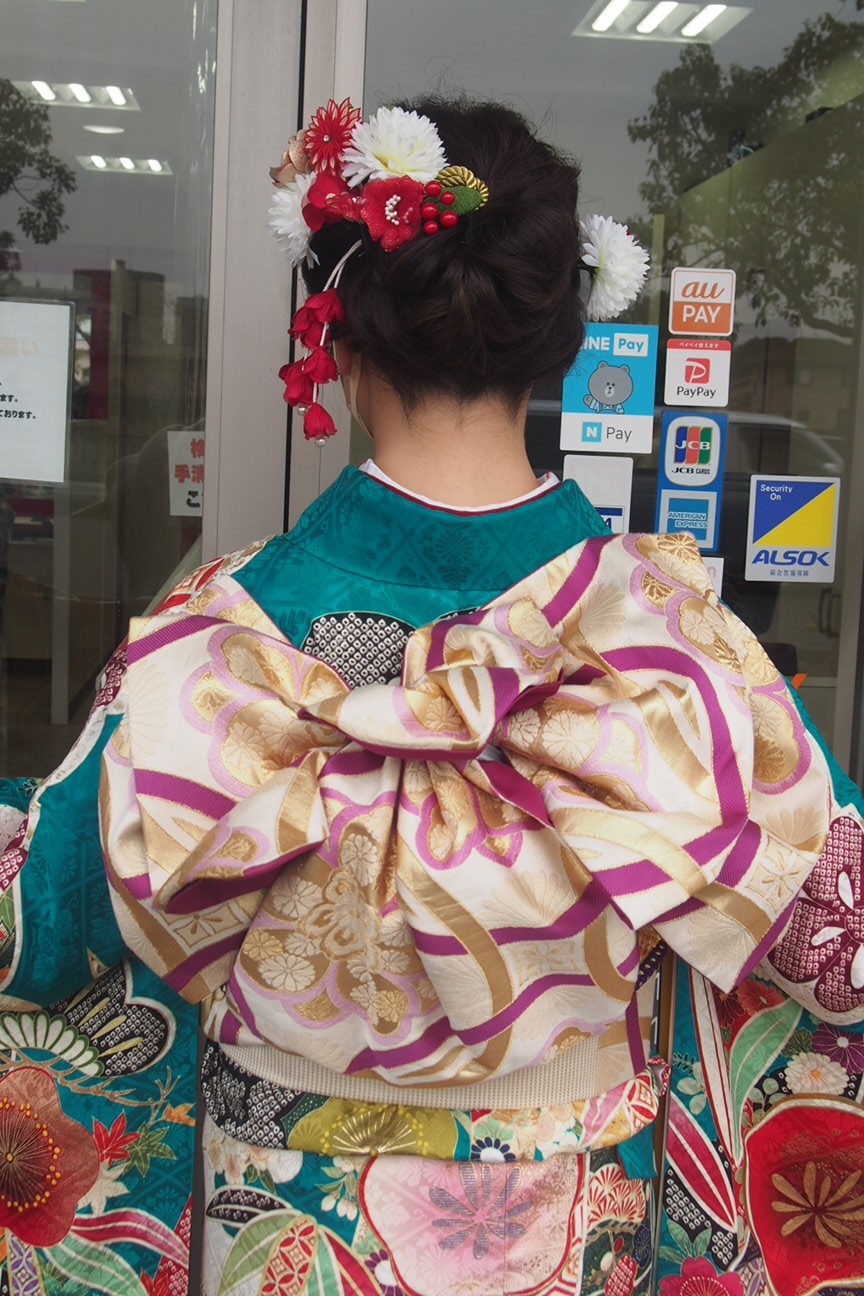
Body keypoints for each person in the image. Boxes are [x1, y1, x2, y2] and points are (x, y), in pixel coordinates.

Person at [0, 95, 863, 1296]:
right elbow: (832, 939)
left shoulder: (222, 633)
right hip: (579, 1229)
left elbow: (43, 918)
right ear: (558, 345)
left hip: (283, 1231)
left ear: (339, 342)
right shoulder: (669, 645)